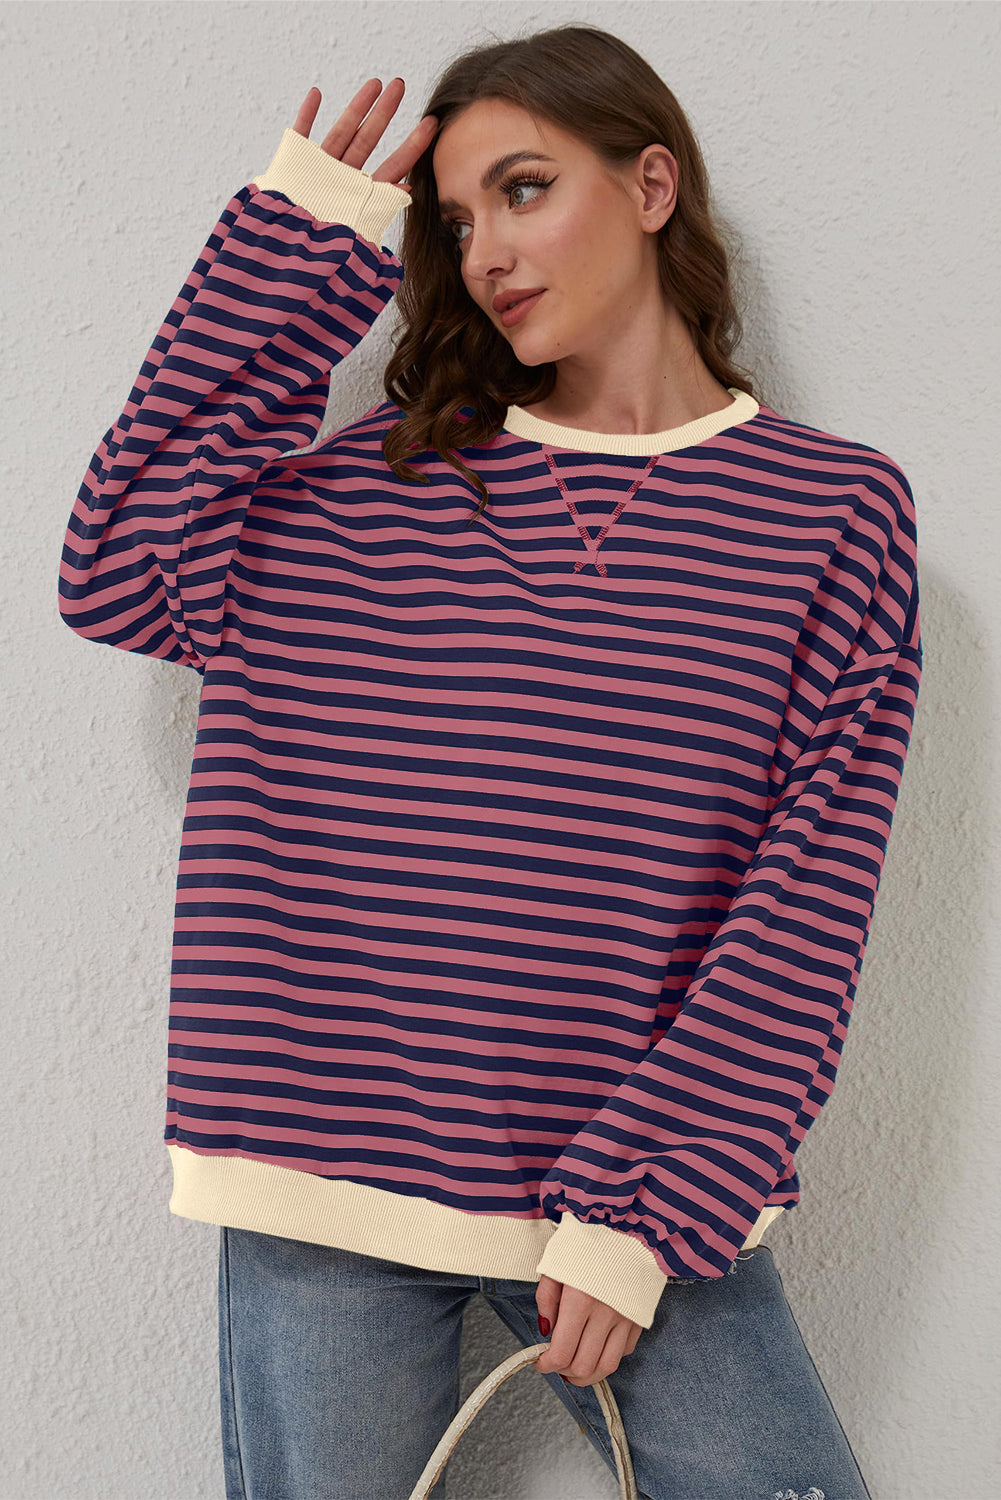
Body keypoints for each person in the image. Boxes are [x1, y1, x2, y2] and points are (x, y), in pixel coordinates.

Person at [58, 24, 921, 1500]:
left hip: (635, 1195)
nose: (488, 253)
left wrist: (645, 1211)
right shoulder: (360, 493)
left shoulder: (827, 513)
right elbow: (116, 571)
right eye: (455, 223)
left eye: (523, 190)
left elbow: (808, 896)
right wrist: (299, 249)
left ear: (649, 185)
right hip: (317, 1176)